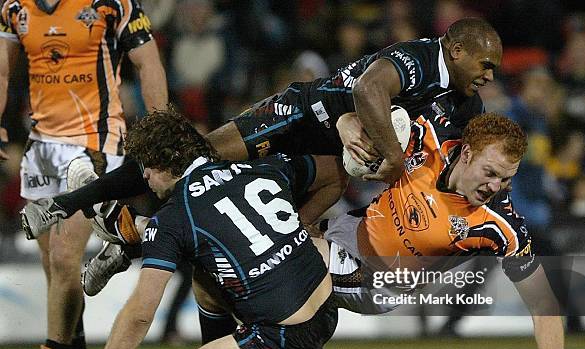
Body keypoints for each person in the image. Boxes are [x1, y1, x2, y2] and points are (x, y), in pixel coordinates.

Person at [20, 16, 502, 241]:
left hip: (332, 153)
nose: (490, 75)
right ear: (456, 51)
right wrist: (394, 158)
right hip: (304, 111)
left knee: (294, 221)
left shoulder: (465, 99)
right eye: (485, 64)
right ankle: (63, 205)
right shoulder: (418, 59)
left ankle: (133, 237)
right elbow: (367, 93)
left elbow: (457, 149)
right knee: (195, 159)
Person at [278, 112, 585, 349]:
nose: (495, 187)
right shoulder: (428, 134)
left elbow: (543, 301)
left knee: (280, 266)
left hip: (376, 280)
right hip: (346, 228)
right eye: (490, 172)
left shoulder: (501, 227)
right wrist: (349, 124)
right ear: (466, 154)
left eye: (506, 180)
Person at [49, 107, 341, 349]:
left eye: (146, 165)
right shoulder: (261, 168)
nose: (145, 176)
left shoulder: (173, 218)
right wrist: (302, 222)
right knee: (203, 276)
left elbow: (140, 312)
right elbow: (335, 170)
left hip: (282, 340)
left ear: (164, 162)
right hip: (327, 312)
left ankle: (129, 226)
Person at [0, 0, 168, 349]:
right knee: (52, 264)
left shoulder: (112, 4)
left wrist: (161, 132)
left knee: (62, 256)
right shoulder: (13, 7)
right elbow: (3, 69)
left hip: (96, 138)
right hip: (41, 146)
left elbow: (149, 63)